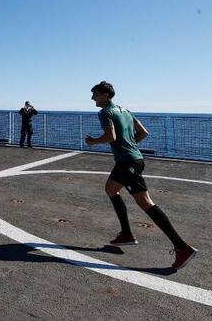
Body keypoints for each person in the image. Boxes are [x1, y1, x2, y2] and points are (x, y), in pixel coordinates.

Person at [84, 81, 197, 269]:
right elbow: (143, 132)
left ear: (105, 95)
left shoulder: (105, 112)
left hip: (127, 163)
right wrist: (129, 145)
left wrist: (93, 141)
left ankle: (182, 247)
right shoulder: (125, 111)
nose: (92, 98)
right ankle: (126, 234)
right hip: (133, 160)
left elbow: (111, 137)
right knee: (111, 189)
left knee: (145, 202)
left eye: (95, 94)